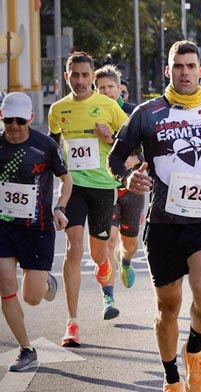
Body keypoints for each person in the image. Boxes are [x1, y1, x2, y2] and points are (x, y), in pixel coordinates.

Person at [107, 40, 201, 392]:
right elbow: (115, 158)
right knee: (168, 307)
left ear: (200, 69)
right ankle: (170, 377)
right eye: (178, 66)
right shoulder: (147, 113)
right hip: (164, 222)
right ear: (168, 70)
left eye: (191, 66)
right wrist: (128, 177)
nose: (185, 72)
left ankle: (195, 350)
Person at [48, 51, 129, 346]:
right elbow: (52, 148)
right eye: (75, 75)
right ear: (66, 76)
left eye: (85, 75)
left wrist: (111, 136)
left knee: (98, 254)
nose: (80, 81)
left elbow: (132, 139)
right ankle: (72, 323)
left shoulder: (107, 105)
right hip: (74, 186)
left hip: (103, 186)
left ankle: (105, 265)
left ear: (92, 78)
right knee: (74, 248)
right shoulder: (58, 109)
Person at [0, 93, 72, 372]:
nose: (14, 126)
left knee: (31, 297)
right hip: (4, 226)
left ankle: (44, 283)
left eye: (20, 120)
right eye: (9, 120)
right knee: (6, 286)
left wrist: (60, 207)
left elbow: (67, 178)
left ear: (30, 118)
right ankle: (26, 350)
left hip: (37, 228)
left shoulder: (45, 146)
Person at [95, 65, 144, 289]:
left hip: (130, 187)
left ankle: (126, 261)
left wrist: (136, 158)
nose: (106, 92)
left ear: (120, 88)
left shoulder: (135, 113)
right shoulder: (92, 114)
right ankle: (108, 296)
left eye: (110, 87)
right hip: (104, 187)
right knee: (109, 240)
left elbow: (148, 147)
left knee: (129, 243)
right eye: (101, 88)